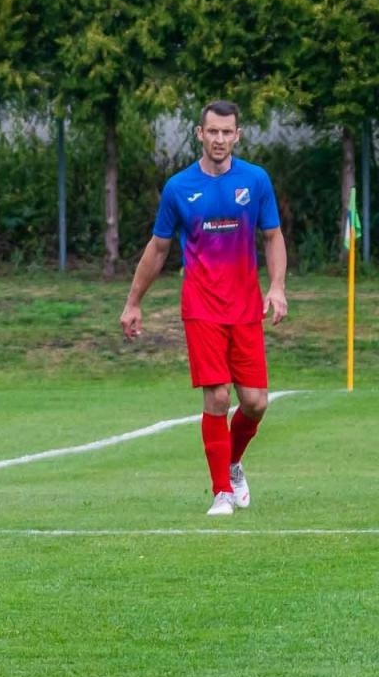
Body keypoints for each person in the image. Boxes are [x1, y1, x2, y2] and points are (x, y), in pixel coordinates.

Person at [121, 99, 287, 516]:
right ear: (200, 134)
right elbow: (158, 249)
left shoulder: (256, 180)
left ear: (237, 135)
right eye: (211, 131)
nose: (219, 139)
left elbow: (272, 236)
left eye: (226, 132)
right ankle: (221, 493)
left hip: (246, 307)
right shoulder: (179, 188)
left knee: (255, 402)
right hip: (202, 308)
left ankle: (232, 463)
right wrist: (133, 302)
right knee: (216, 397)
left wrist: (278, 287)